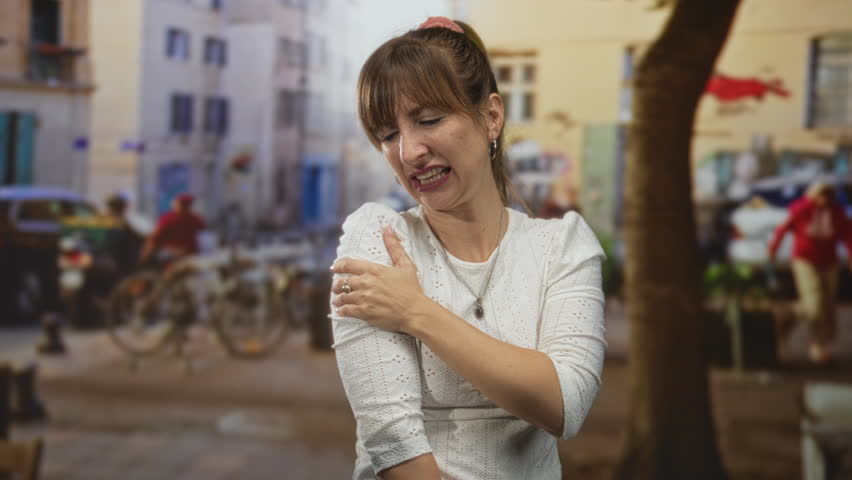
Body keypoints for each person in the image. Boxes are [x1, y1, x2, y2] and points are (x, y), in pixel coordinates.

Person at [329, 17, 606, 479]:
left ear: (491, 117)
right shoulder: (379, 240)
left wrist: (415, 312)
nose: (409, 151)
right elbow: (393, 441)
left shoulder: (561, 247)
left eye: (429, 120)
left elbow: (565, 404)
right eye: (388, 134)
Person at [769, 181, 852, 365]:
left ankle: (819, 342)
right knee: (815, 304)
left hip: (828, 261)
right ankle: (795, 321)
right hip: (805, 259)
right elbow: (783, 228)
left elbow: (848, 236)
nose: (825, 199)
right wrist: (774, 248)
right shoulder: (802, 209)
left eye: (829, 196)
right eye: (822, 195)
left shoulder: (837, 212)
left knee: (828, 304)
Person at [140, 193, 206, 265]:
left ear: (177, 204)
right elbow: (203, 232)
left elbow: (156, 236)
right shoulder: (196, 219)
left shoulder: (168, 218)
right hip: (190, 253)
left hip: (172, 254)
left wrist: (146, 252)